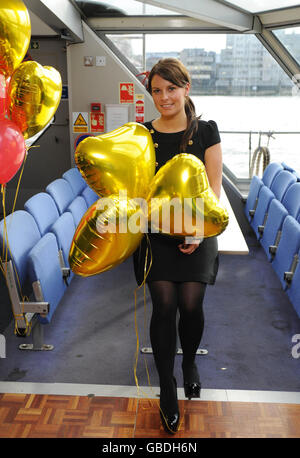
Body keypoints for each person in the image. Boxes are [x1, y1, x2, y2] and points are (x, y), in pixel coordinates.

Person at [133, 58, 223, 434]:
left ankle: (188, 362)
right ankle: (167, 386)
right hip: (155, 235)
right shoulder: (140, 135)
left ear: (185, 88)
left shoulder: (206, 131)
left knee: (191, 304)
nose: (164, 97)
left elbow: (214, 193)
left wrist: (196, 232)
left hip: (197, 233)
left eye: (171, 88)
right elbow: (136, 191)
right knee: (164, 304)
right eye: (157, 90)